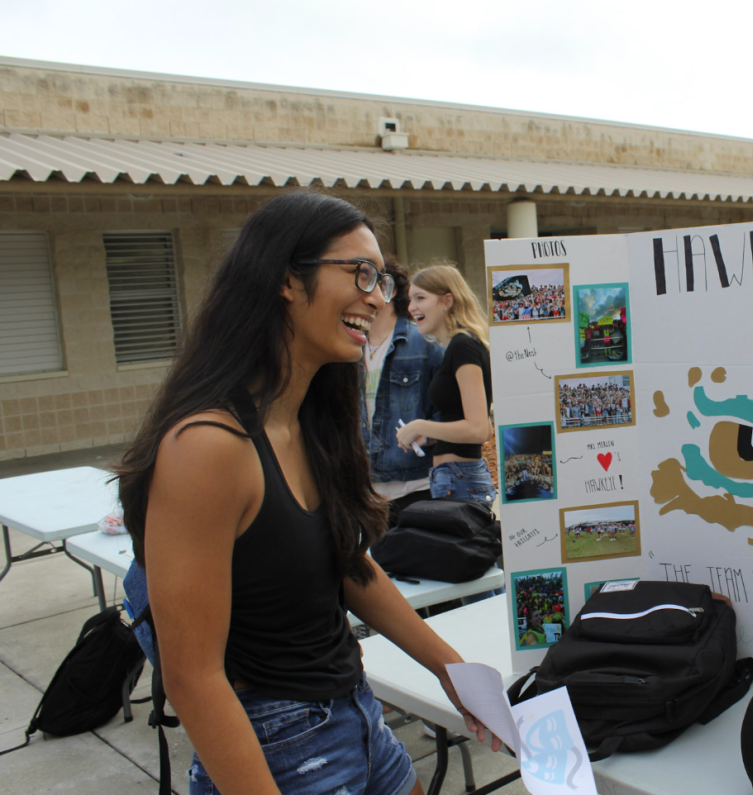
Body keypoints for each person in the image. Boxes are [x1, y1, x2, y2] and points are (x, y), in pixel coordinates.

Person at [115, 192, 498, 795]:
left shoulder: (312, 420)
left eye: (384, 280)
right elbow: (194, 679)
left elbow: (348, 565)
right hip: (276, 746)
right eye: (361, 274)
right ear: (287, 280)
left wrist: (451, 670)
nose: (379, 298)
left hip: (358, 714)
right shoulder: (207, 445)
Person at [396, 264, 496, 505]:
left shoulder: (463, 346)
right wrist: (428, 436)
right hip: (456, 478)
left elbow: (479, 430)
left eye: (420, 298)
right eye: (410, 299)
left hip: (459, 480)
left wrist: (421, 425)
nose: (412, 307)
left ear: (447, 300)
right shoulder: (460, 346)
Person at [361, 257, 444, 521]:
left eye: (367, 282)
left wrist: (427, 434)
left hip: (416, 487)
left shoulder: (424, 343)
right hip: (361, 490)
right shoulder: (346, 345)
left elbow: (452, 410)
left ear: (389, 289)